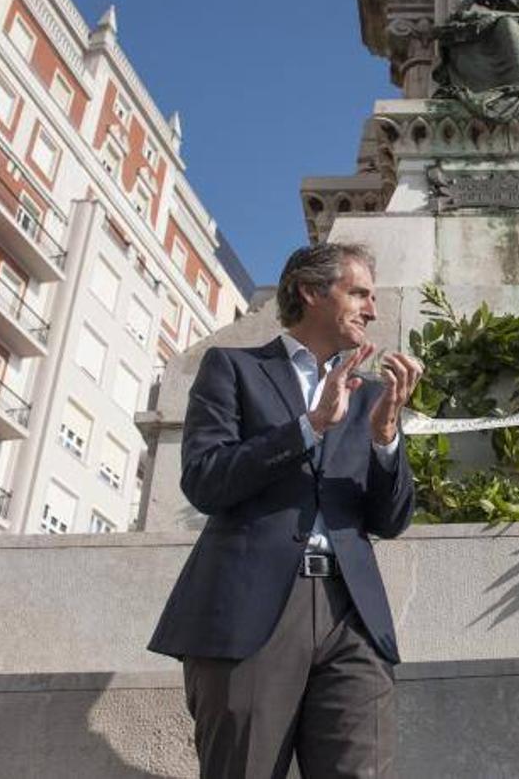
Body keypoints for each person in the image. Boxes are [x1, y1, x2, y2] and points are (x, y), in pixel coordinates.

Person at [149, 242, 423, 778]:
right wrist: (309, 426)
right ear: (311, 291)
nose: (372, 310)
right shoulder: (233, 369)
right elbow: (205, 480)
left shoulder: (370, 397)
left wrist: (387, 437)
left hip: (352, 615)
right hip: (250, 610)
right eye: (359, 293)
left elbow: (391, 519)